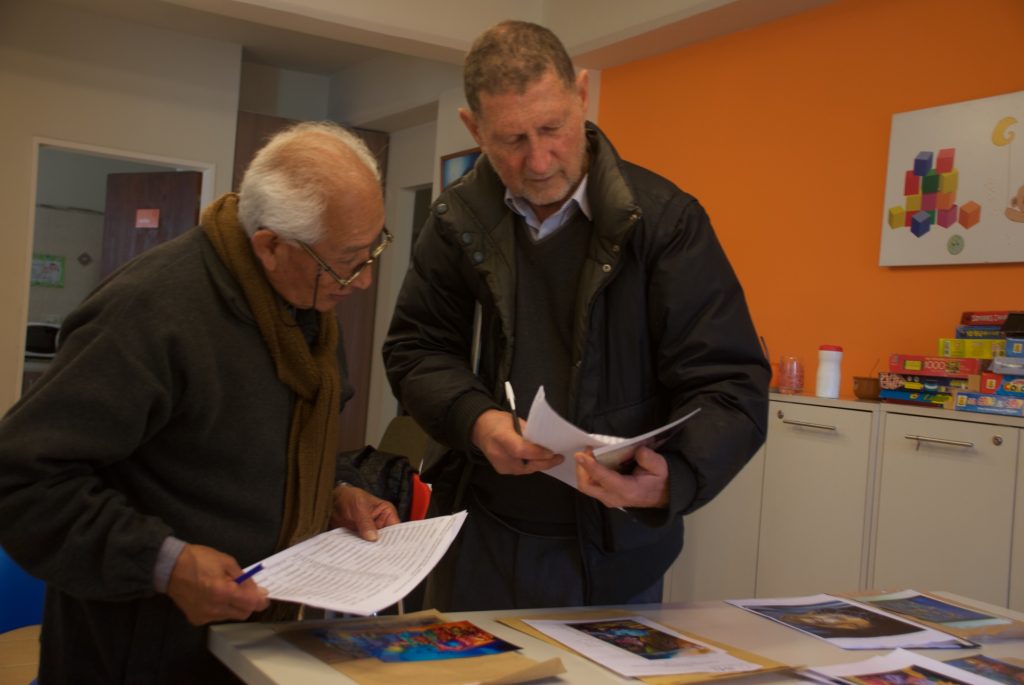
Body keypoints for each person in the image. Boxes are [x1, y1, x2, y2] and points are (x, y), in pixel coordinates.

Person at [383, 21, 770, 611]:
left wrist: (675, 474)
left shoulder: (665, 223)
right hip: (479, 532)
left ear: (582, 95)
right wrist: (477, 420)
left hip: (617, 548)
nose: (538, 161)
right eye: (511, 139)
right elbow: (415, 352)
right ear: (473, 127)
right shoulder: (455, 222)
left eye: (552, 128)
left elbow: (732, 384)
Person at [0, 121, 400, 683]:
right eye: (349, 260)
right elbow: (20, 479)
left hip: (258, 647)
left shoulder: (306, 308)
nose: (363, 280)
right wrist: (164, 563)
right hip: (138, 656)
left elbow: (250, 444)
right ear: (271, 246)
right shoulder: (149, 312)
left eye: (374, 248)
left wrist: (330, 490)